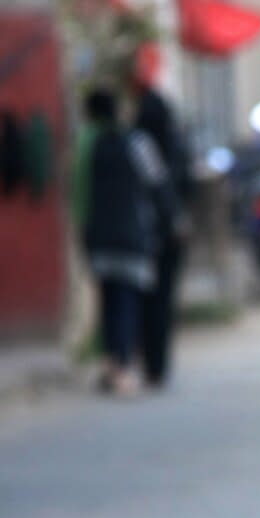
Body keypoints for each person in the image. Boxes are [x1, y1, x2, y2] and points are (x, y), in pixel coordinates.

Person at [75, 87, 167, 395]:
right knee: (127, 302)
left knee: (108, 300)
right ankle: (123, 367)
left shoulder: (89, 144)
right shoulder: (137, 142)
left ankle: (110, 363)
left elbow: (79, 193)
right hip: (131, 234)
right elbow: (158, 183)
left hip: (99, 235)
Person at [133, 79, 190, 387]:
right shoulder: (174, 143)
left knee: (146, 300)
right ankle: (158, 364)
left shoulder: (139, 143)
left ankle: (149, 363)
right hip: (170, 235)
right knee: (163, 301)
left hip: (145, 236)